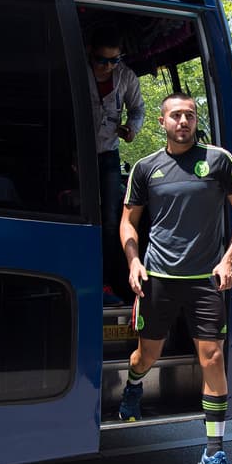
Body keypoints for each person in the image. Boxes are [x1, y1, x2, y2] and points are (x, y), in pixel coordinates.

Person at [119, 94, 232, 464]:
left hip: (206, 280)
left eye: (190, 115)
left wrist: (229, 260)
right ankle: (134, 385)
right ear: (162, 122)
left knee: (213, 357)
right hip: (157, 277)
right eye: (176, 115)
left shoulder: (219, 161)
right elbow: (128, 223)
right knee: (147, 354)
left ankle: (214, 451)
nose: (184, 121)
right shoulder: (145, 168)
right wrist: (133, 262)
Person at [86, 27, 145, 300]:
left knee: (111, 220)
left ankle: (107, 281)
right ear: (90, 54)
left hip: (108, 153)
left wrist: (132, 128)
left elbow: (138, 109)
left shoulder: (126, 77)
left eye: (114, 60)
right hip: (76, 152)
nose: (108, 67)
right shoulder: (77, 68)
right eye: (102, 61)